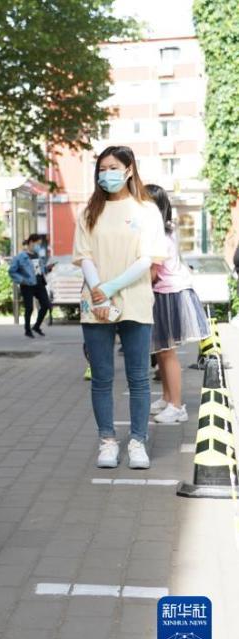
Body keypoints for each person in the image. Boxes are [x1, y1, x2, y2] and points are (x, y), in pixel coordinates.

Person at [73, 146, 167, 469]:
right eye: (101, 168)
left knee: (139, 378)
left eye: (113, 167)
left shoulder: (146, 210)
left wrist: (111, 289)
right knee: (101, 377)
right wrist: (99, 292)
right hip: (95, 306)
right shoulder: (89, 212)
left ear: (129, 170)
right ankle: (107, 441)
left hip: (135, 302)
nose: (106, 174)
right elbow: (83, 255)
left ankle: (138, 441)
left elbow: (147, 259)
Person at [145, 183, 210, 424]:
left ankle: (176, 405)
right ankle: (166, 397)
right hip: (168, 292)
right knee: (161, 351)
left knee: (167, 351)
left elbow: (152, 272)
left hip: (170, 293)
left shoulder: (159, 235)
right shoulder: (163, 231)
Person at [8, 234, 52, 338]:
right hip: (27, 284)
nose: (39, 246)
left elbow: (39, 269)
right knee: (29, 308)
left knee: (46, 305)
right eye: (38, 244)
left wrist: (47, 269)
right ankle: (27, 330)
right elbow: (12, 271)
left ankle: (36, 326)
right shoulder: (20, 257)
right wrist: (21, 280)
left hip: (39, 283)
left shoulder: (38, 255)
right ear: (31, 242)